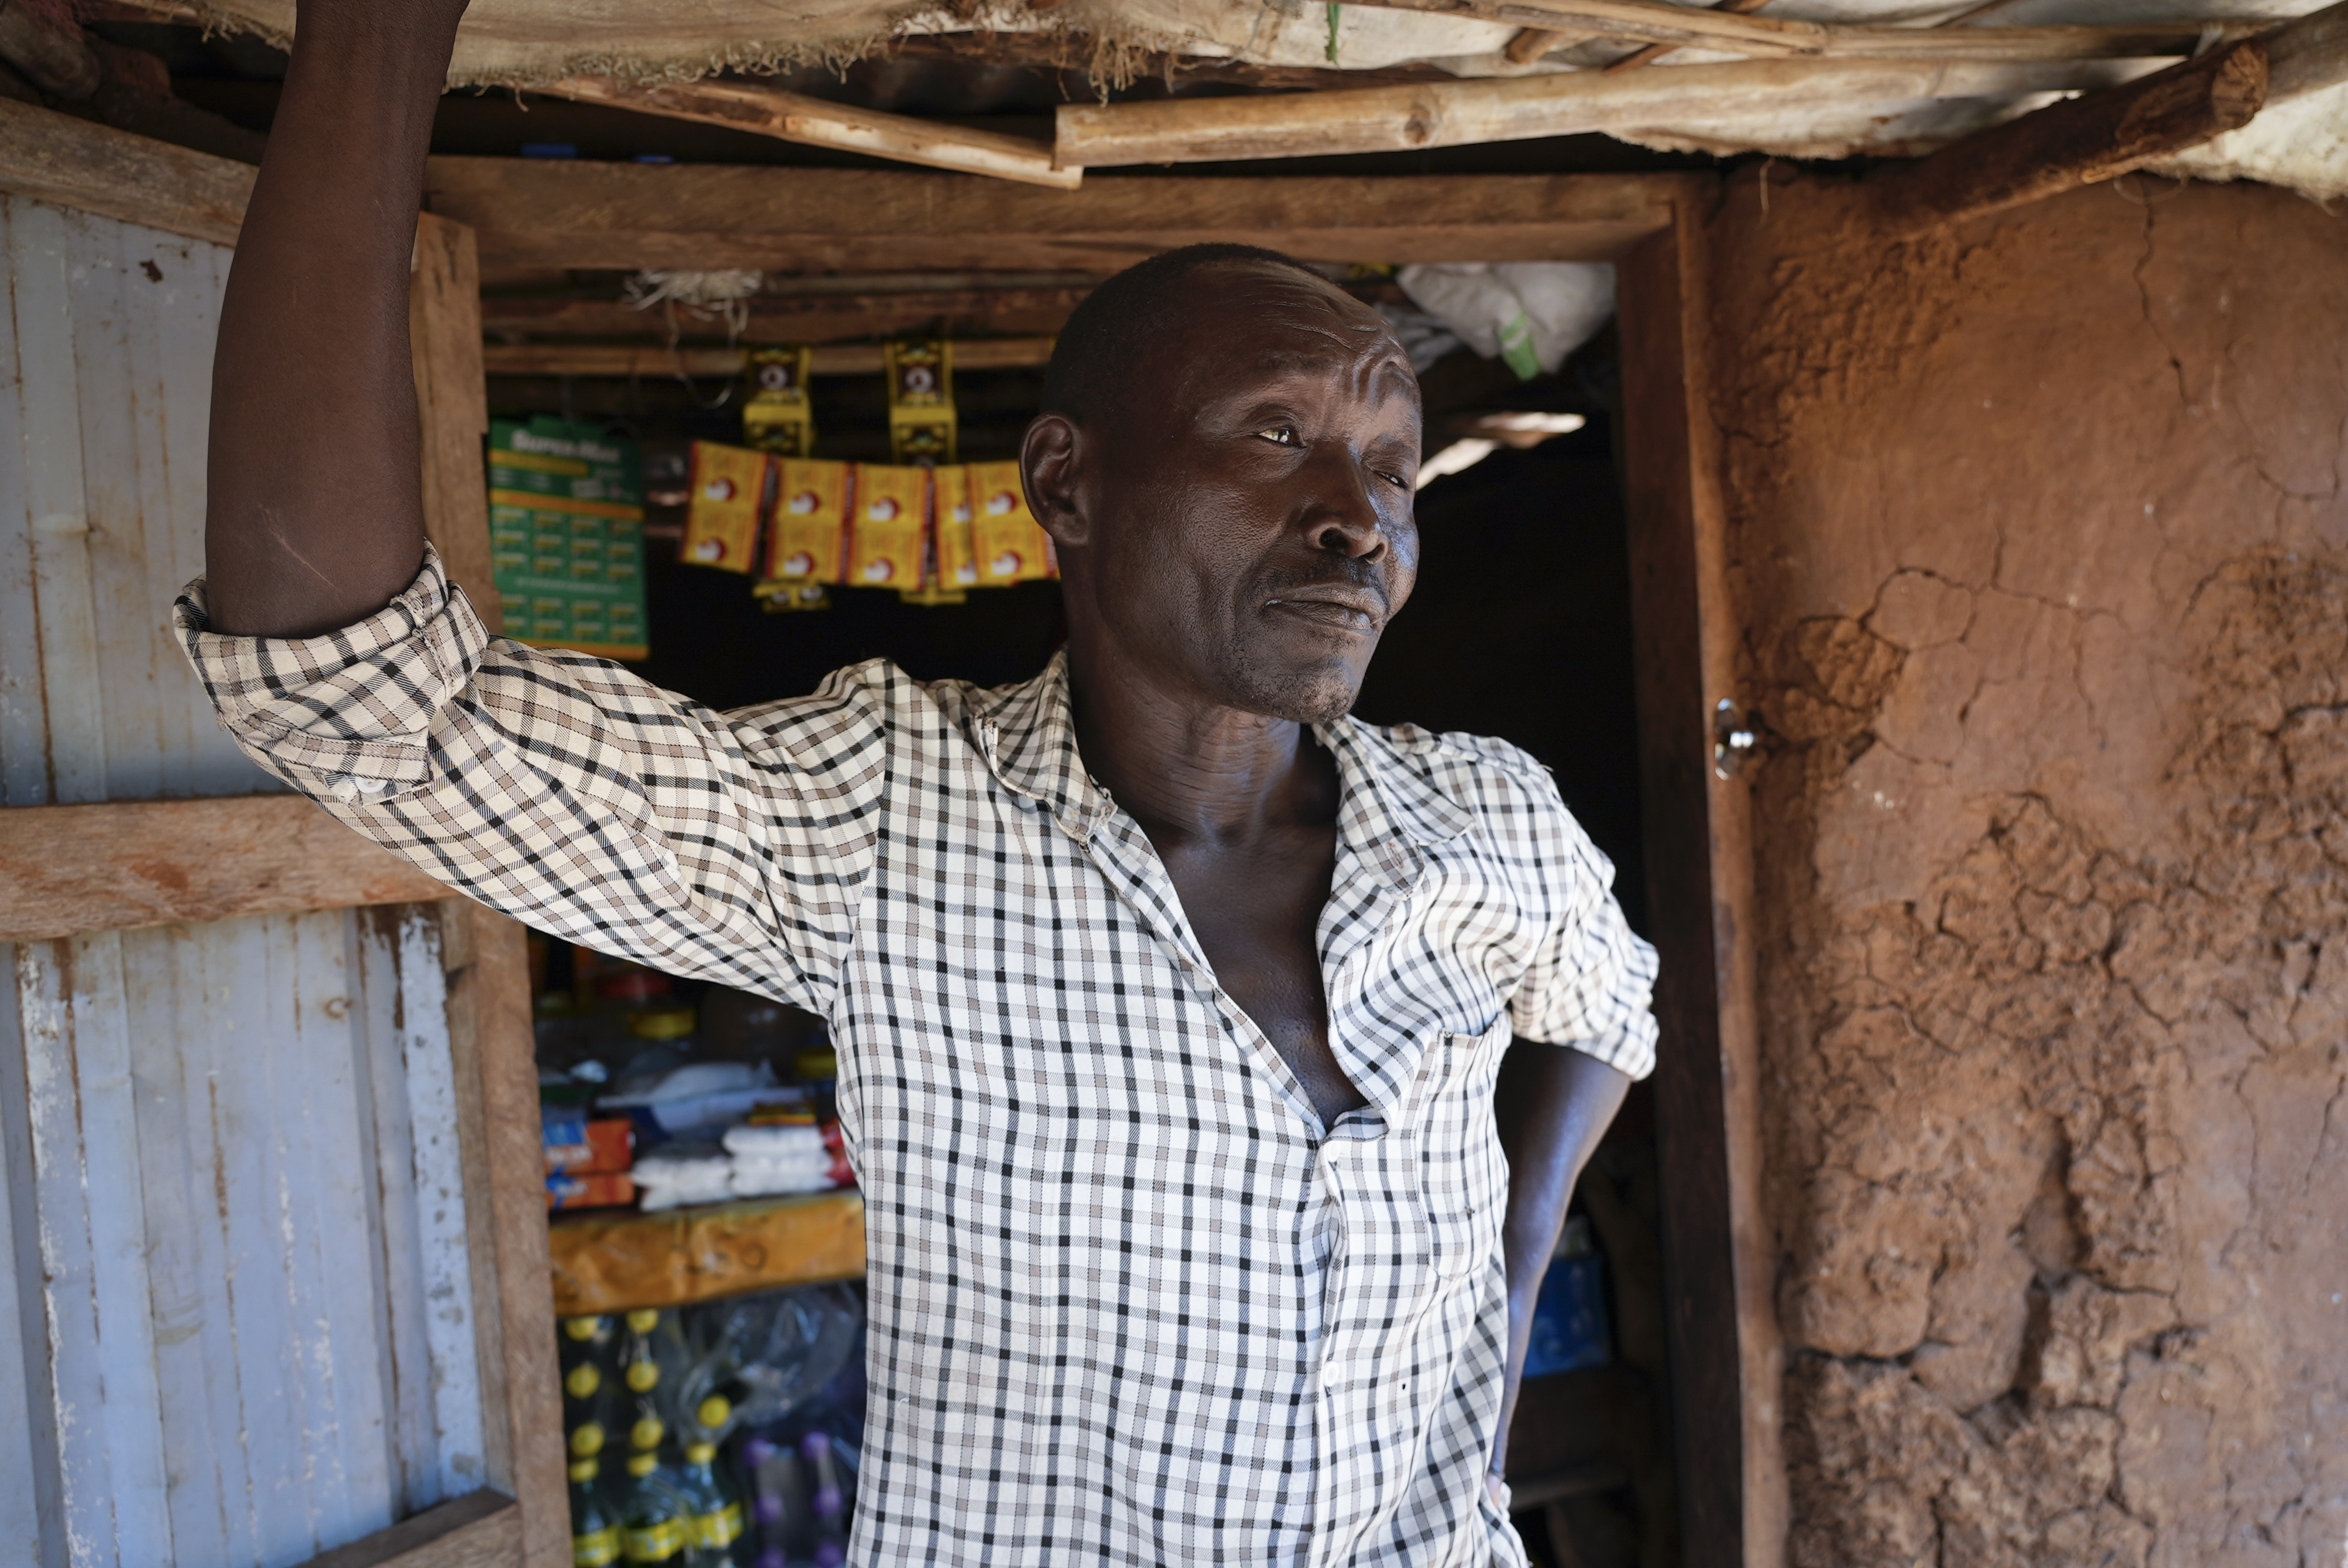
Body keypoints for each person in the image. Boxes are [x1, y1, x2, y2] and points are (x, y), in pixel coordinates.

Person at [180, 3, 1658, 1562]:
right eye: (1278, 431)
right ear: (1064, 485)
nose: (1357, 514)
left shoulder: (1482, 818)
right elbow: (352, 684)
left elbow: (1611, 1007)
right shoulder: (879, 819)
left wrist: (1510, 1261)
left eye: (1387, 456)